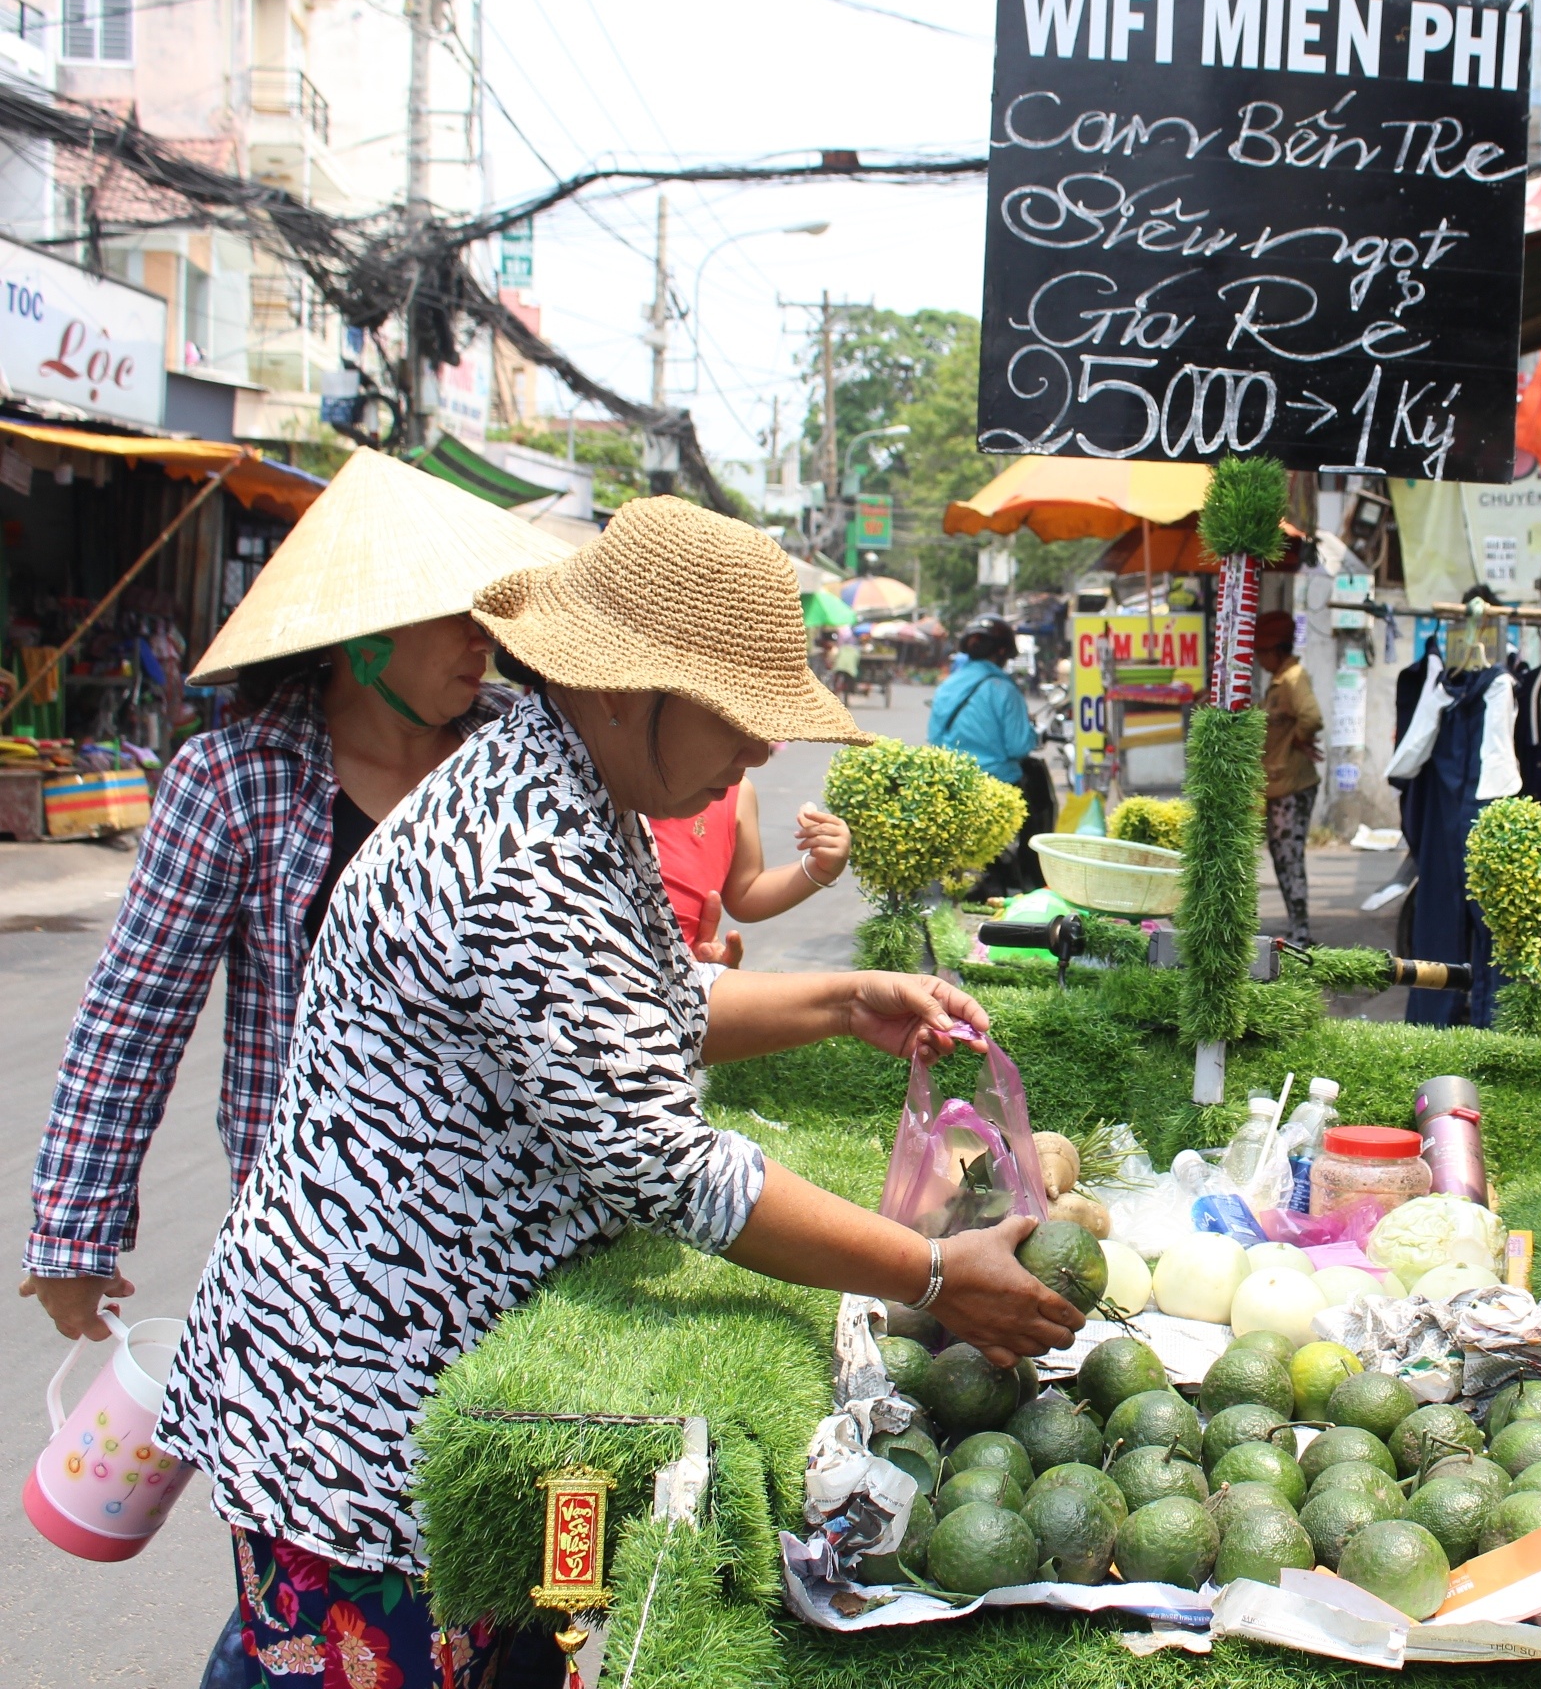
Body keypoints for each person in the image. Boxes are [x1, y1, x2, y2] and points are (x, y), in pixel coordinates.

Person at [147, 498, 1082, 1687]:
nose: (761, 753)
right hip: (361, 1402)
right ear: (615, 691)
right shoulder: (522, 856)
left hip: (450, 1380)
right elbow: (670, 1165)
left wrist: (844, 1000)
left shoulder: (584, 789)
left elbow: (653, 1002)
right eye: (737, 714)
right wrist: (936, 1273)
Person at [17, 450, 570, 1686]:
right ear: (361, 634)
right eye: (452, 616)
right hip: (322, 1282)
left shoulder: (518, 759)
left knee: (495, 1603)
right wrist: (73, 1237)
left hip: (518, 1259)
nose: (482, 643)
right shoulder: (235, 781)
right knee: (336, 1607)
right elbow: (132, 1016)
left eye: (491, 615)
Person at [652, 782, 853, 967]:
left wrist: (821, 869)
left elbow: (745, 892)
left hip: (685, 975)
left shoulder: (736, 790)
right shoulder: (635, 790)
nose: (754, 760)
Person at [930, 613, 1051, 894]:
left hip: (952, 785)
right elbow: (1018, 746)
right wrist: (1031, 732)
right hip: (999, 786)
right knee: (1031, 831)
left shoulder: (947, 687)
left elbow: (935, 738)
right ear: (1002, 653)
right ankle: (1030, 882)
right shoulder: (1004, 689)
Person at [1255, 610, 1324, 945]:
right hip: (1280, 786)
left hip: (1293, 786)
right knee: (1282, 857)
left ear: (1275, 649)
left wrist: (1298, 739)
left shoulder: (1293, 678)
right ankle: (1297, 927)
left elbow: (1312, 717)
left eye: (1261, 652)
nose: (1258, 659)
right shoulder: (1279, 681)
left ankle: (1302, 932)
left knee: (1289, 857)